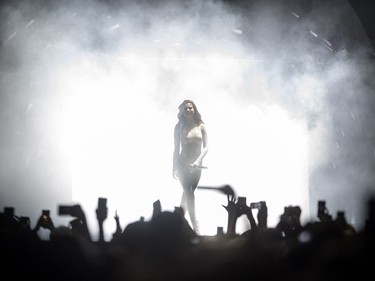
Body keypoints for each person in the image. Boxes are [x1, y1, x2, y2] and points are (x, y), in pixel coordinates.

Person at [173, 100, 208, 233]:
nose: (188, 111)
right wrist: (174, 166)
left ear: (194, 110)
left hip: (197, 166)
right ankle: (196, 227)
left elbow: (207, 147)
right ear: (182, 111)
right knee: (189, 193)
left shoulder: (201, 126)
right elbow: (176, 149)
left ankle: (178, 219)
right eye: (186, 109)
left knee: (188, 194)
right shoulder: (178, 127)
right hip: (182, 164)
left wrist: (198, 162)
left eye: (190, 108)